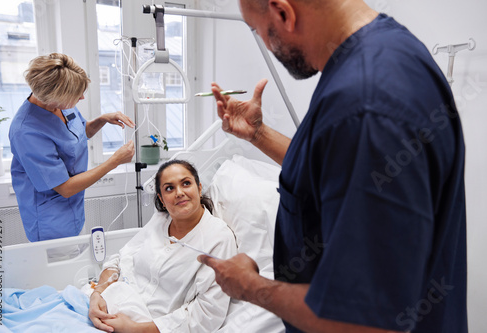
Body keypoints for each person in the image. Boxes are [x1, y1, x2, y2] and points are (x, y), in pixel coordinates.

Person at [199, 1, 467, 333]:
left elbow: (363, 321)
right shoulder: (391, 54)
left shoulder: (365, 103)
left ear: (283, 12)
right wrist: (258, 134)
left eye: (259, 31)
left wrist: (250, 286)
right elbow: (334, 169)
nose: (266, 45)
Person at [88, 160, 238, 333]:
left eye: (186, 183)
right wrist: (97, 295)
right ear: (161, 198)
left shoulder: (218, 239)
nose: (179, 193)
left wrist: (134, 329)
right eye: (169, 188)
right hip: (107, 308)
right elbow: (119, 260)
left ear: (199, 187)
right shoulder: (159, 221)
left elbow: (206, 315)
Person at [9, 53, 135, 242]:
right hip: (50, 223)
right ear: (53, 97)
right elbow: (65, 188)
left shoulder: (60, 105)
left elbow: (75, 136)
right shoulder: (26, 132)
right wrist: (115, 161)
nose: (82, 97)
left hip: (74, 211)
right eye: (77, 95)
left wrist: (102, 120)